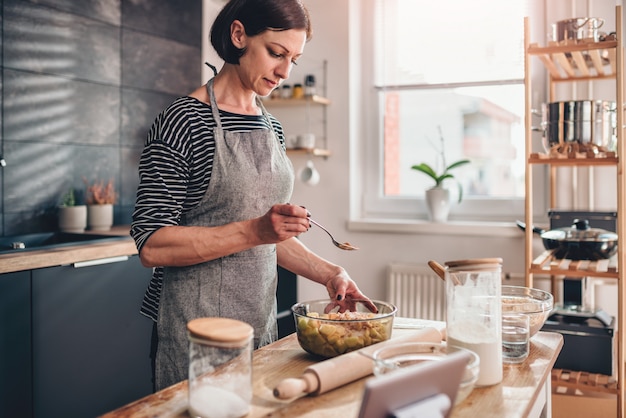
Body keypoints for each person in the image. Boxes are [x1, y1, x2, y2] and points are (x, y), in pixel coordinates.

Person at [130, 0, 376, 391]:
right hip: (198, 336)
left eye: (294, 59)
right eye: (276, 53)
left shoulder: (272, 127)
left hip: (259, 328)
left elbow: (268, 237)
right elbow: (152, 244)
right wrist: (257, 231)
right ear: (239, 35)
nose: (284, 71)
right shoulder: (183, 120)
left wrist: (330, 274)